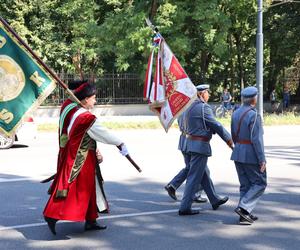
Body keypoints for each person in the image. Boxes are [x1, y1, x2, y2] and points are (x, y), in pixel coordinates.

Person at [43, 82, 129, 235]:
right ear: (85, 99)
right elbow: (103, 133)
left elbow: (90, 136)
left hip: (85, 155)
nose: (95, 101)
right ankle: (51, 214)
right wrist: (120, 143)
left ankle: (91, 219)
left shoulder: (77, 111)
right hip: (80, 159)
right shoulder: (85, 116)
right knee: (72, 189)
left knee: (90, 188)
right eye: (94, 98)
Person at [178, 84, 233, 215]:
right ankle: (185, 207)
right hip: (199, 146)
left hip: (186, 144)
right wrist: (229, 140)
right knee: (194, 177)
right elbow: (217, 126)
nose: (209, 95)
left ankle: (214, 199)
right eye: (208, 92)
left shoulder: (186, 107)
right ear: (201, 94)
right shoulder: (203, 108)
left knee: (203, 172)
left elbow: (181, 124)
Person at [231, 86, 267, 225]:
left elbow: (233, 134)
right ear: (254, 99)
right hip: (250, 153)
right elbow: (257, 139)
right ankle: (244, 208)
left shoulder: (235, 113)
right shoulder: (254, 115)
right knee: (260, 182)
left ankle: (244, 214)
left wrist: (238, 147)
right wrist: (262, 159)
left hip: (238, 151)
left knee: (245, 184)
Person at [164, 113, 208, 204]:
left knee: (190, 167)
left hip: (184, 139)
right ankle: (195, 194)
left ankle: (173, 185)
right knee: (200, 169)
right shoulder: (192, 109)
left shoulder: (182, 109)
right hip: (191, 140)